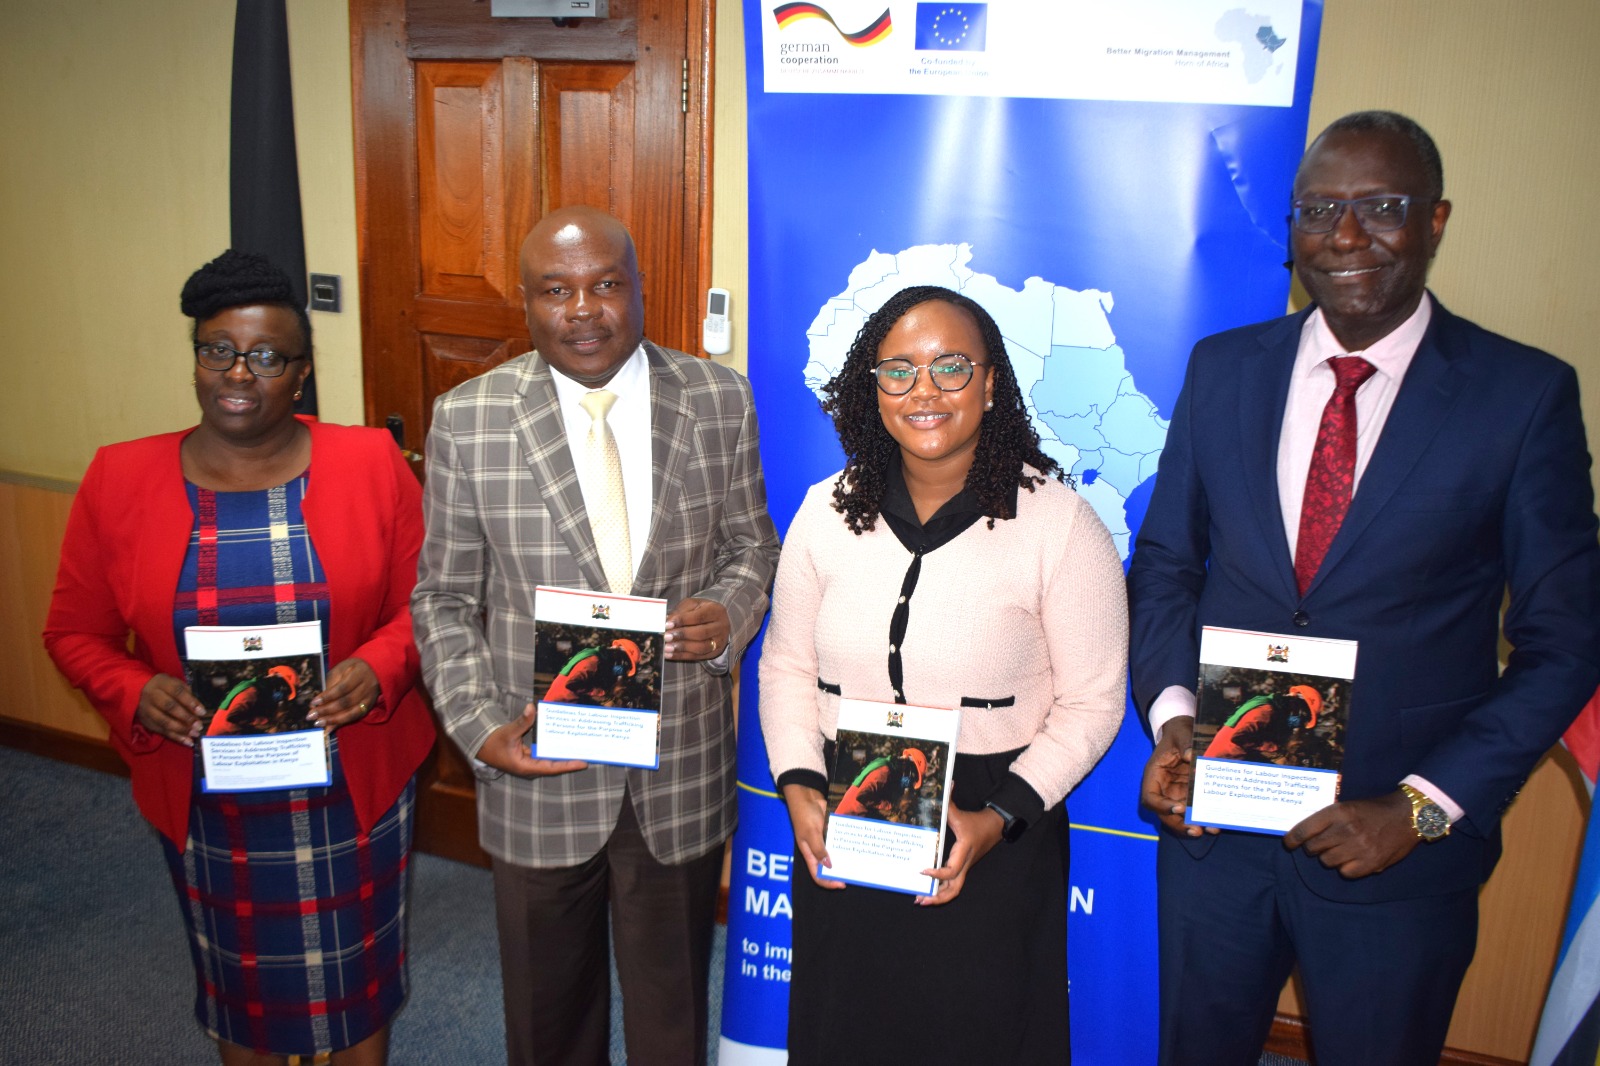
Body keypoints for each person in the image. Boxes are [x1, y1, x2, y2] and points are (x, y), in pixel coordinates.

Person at [1129, 111, 1600, 1065]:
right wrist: (1176, 714)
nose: (1345, 237)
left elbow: (1566, 641)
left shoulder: (1522, 396)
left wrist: (1422, 806)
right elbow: (1169, 565)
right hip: (1219, 830)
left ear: (1436, 220)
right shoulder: (1223, 369)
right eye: (1319, 211)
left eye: (1381, 207)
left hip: (1395, 847)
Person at [43, 249, 435, 1065]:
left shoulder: (372, 465)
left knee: (358, 975)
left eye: (265, 356)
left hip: (348, 781)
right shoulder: (119, 478)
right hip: (207, 790)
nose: (238, 373)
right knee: (240, 984)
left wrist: (379, 666)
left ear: (300, 374)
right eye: (217, 349)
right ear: (195, 359)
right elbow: (73, 633)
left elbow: (425, 607)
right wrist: (135, 687)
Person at [411, 205, 779, 1066]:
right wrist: (477, 729)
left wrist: (728, 613)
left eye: (606, 284)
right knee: (547, 1026)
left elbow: (752, 547)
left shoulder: (718, 399)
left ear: (640, 290)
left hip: (677, 770)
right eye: (556, 290)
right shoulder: (468, 419)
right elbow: (443, 600)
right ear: (528, 306)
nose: (584, 309)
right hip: (536, 769)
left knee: (672, 1017)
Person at [759, 285, 1128, 1064]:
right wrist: (799, 786)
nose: (923, 390)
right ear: (872, 387)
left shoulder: (1059, 525)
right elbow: (786, 663)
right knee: (844, 1029)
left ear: (991, 383)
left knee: (975, 1032)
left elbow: (1093, 700)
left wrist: (996, 819)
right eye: (898, 370)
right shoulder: (824, 512)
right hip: (846, 811)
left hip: (993, 820)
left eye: (951, 367)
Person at [1202, 685, 1321, 761]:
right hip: (1225, 758)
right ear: (1295, 703)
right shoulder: (1266, 710)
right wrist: (1275, 748)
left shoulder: (1268, 704)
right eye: (1302, 714)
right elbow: (1240, 737)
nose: (1297, 719)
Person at [541, 638, 641, 706]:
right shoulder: (593, 660)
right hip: (560, 702)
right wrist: (599, 692)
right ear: (617, 653)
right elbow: (572, 684)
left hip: (565, 701)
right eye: (623, 662)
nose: (621, 666)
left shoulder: (596, 654)